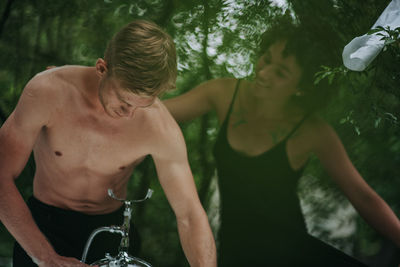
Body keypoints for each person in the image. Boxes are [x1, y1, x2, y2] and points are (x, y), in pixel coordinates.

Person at [164, 18, 400, 266]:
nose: (263, 72)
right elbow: (158, 115)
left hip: (293, 254)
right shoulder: (223, 94)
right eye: (266, 58)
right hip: (236, 252)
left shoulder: (312, 131)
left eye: (280, 72)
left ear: (302, 88)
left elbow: (363, 196)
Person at [0, 20, 216, 267]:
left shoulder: (159, 127)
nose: (130, 115)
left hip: (112, 234)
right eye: (124, 101)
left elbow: (189, 214)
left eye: (142, 105)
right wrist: (45, 257)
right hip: (46, 224)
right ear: (102, 68)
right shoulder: (48, 91)